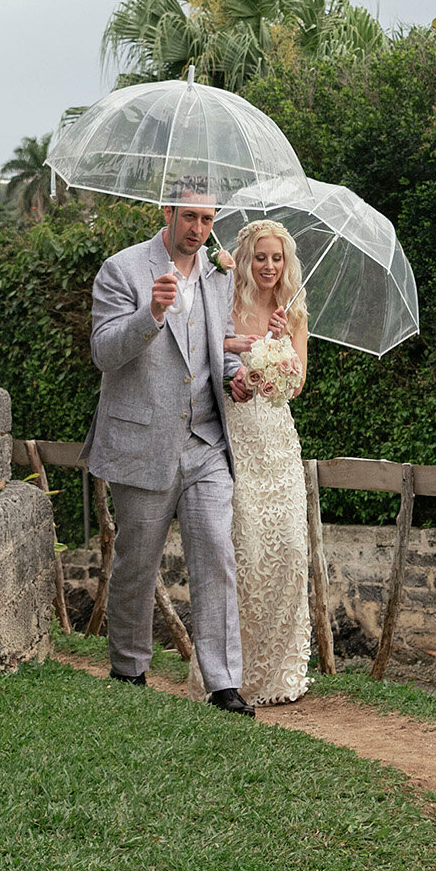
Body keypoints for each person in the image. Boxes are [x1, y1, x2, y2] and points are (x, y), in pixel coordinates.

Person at [82, 178, 256, 715]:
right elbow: (104, 353)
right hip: (144, 443)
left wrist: (238, 377)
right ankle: (129, 667)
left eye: (208, 220)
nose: (199, 231)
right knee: (137, 562)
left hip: (206, 443)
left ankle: (223, 682)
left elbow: (215, 355)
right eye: (190, 219)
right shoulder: (122, 269)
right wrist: (150, 316)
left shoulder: (218, 275)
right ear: (168, 212)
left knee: (216, 555)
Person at [218, 219, 313, 706]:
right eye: (261, 257)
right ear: (247, 259)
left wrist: (278, 346)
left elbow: (293, 387)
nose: (270, 266)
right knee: (247, 552)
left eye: (277, 258)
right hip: (238, 439)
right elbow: (214, 360)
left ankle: (282, 675)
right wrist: (246, 369)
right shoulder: (226, 304)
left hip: (279, 442)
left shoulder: (293, 312)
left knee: (292, 552)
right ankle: (232, 674)